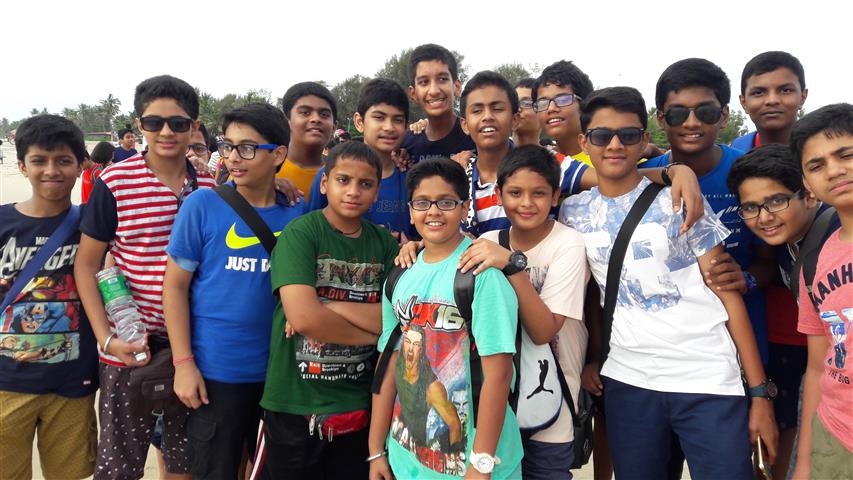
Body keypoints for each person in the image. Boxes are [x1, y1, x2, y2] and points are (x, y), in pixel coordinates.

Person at [560, 86, 778, 479]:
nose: (615, 145)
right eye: (601, 136)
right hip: (628, 379)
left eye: (628, 135)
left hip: (707, 377)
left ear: (644, 139)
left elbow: (727, 295)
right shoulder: (572, 212)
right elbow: (592, 294)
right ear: (583, 142)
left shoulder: (680, 201)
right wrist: (594, 356)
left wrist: (759, 393)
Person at [74, 74, 216, 480]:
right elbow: (86, 265)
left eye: (178, 122)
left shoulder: (209, 186)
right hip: (130, 347)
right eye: (154, 122)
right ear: (139, 125)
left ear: (194, 125)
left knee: (186, 463)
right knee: (119, 465)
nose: (166, 132)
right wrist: (107, 338)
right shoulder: (115, 182)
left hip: (193, 347)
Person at [162, 103, 303, 479]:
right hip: (215, 375)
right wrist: (183, 364)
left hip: (279, 377)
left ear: (278, 154)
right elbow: (174, 287)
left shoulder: (298, 212)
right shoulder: (202, 205)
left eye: (247, 148)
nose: (233, 158)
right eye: (227, 146)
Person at [369, 157, 522, 479]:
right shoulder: (400, 273)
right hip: (406, 460)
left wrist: (481, 464)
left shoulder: (481, 275)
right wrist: (376, 451)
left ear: (465, 208)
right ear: (410, 210)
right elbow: (388, 363)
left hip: (473, 464)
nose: (434, 212)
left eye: (446, 202)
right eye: (422, 202)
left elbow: (499, 374)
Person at [257, 141, 399, 479]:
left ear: (376, 192)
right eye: (343, 180)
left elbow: (396, 320)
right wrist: (376, 335)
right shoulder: (301, 234)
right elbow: (305, 319)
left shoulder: (384, 245)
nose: (353, 191)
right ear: (325, 183)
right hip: (295, 404)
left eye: (365, 184)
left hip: (358, 403)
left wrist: (329, 305)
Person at [464, 145, 589, 479]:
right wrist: (416, 246)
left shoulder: (569, 244)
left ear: (555, 196)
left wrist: (511, 265)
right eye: (515, 193)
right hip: (496, 401)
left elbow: (544, 330)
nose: (526, 203)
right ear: (499, 195)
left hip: (552, 399)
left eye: (539, 193)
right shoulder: (488, 240)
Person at [640, 58, 774, 366]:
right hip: (666, 346)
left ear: (724, 116)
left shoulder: (751, 173)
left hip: (741, 340)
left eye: (706, 112)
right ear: (660, 119)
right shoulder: (642, 179)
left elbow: (771, 260)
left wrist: (748, 279)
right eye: (678, 113)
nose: (691, 123)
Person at [727, 144, 841, 478]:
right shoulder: (787, 242)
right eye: (751, 207)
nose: (764, 217)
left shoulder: (837, 235)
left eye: (777, 201)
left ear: (808, 194)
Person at [0, 115, 99, 480]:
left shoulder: (93, 224)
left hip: (72, 384)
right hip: (5, 383)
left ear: (81, 165)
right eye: (39, 160)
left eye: (63, 160)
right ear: (22, 165)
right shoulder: (3, 222)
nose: (51, 170)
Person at [789, 103, 853, 480]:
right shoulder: (814, 262)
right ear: (807, 183)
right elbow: (816, 367)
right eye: (816, 165)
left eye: (846, 155)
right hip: (835, 437)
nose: (834, 170)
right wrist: (804, 462)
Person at [307, 78, 415, 240]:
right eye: (379, 117)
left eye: (398, 120)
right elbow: (312, 230)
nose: (389, 127)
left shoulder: (411, 178)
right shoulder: (331, 174)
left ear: (406, 126)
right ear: (359, 122)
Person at [400, 43, 476, 164]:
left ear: (457, 87)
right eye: (424, 82)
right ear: (413, 93)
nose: (434, 91)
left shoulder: (476, 136)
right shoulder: (406, 145)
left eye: (442, 79)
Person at [275, 81, 337, 201]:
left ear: (334, 127)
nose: (316, 119)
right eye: (305, 113)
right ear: (287, 122)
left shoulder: (340, 175)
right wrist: (265, 185)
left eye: (324, 114)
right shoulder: (265, 170)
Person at [734, 51, 808, 151]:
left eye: (785, 90)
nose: (772, 100)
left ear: (802, 97)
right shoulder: (733, 155)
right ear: (744, 103)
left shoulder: (823, 150)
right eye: (758, 92)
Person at [513, 78, 542, 147]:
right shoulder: (492, 151)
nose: (518, 109)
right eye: (514, 103)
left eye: (526, 103)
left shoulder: (556, 154)